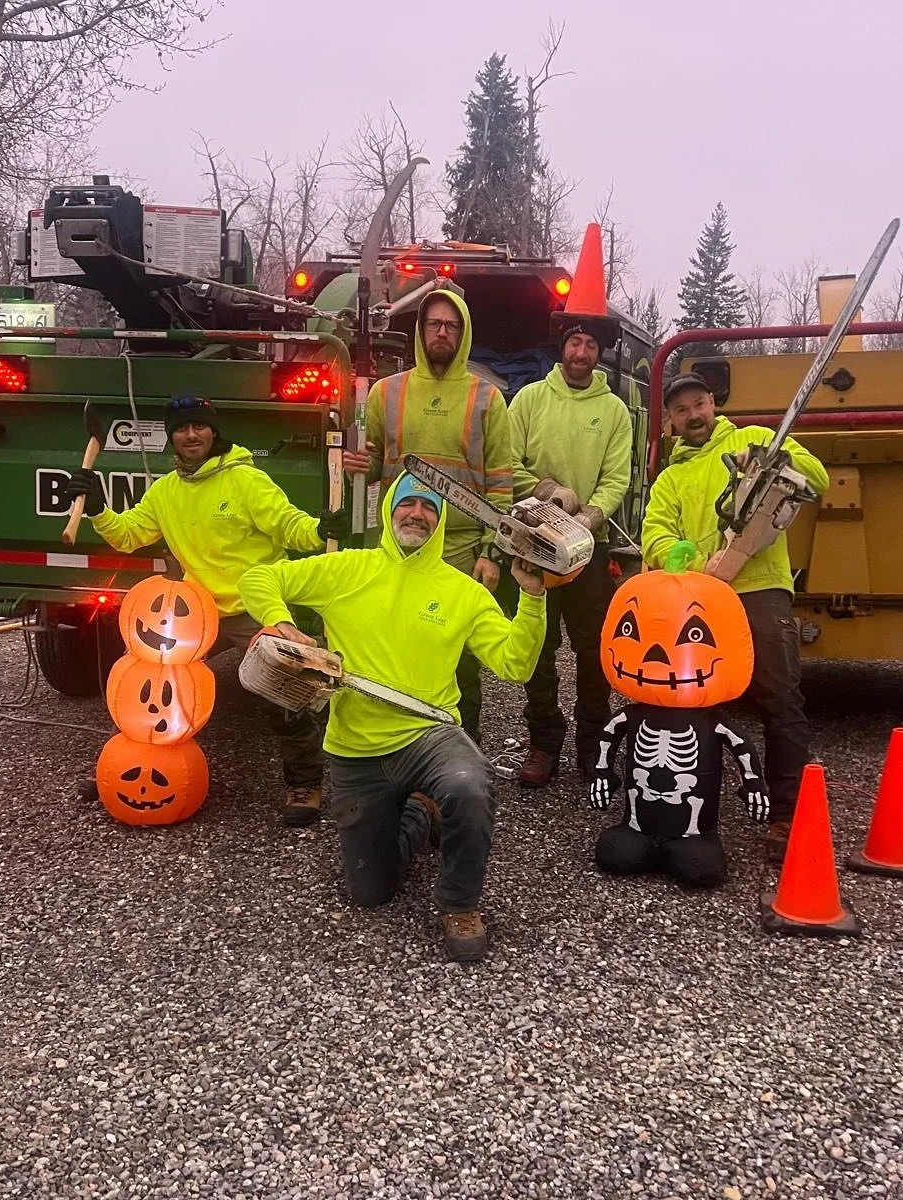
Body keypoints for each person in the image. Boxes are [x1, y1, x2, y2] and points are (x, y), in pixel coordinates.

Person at [239, 473, 546, 962]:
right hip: (356, 748)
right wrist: (283, 625)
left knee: (470, 783)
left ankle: (459, 903)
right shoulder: (347, 569)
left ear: (441, 521)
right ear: (388, 511)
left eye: (429, 507)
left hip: (430, 734)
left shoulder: (461, 591)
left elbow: (515, 663)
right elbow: (259, 576)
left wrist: (531, 597)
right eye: (407, 503)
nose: (417, 513)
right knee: (369, 893)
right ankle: (420, 815)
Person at [64, 392, 349, 828]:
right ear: (171, 437)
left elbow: (289, 525)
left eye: (199, 426)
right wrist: (99, 509)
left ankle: (304, 784)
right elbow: (127, 535)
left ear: (214, 431)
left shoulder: (246, 482)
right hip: (196, 612)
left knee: (283, 691)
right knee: (147, 678)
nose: (191, 434)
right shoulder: (165, 492)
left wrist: (319, 528)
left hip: (255, 607)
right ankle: (125, 767)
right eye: (181, 428)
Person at [640, 372, 830, 861]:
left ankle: (787, 814)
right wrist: (676, 553)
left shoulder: (758, 439)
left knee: (780, 700)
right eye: (680, 411)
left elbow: (817, 477)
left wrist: (771, 463)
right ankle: (693, 806)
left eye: (698, 403)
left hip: (761, 590)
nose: (693, 415)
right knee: (691, 706)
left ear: (713, 403)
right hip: (699, 601)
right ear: (671, 422)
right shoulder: (670, 479)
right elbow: (655, 533)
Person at [341, 288, 512, 745]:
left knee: (461, 663)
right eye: (434, 324)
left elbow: (500, 484)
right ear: (420, 331)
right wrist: (361, 464)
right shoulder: (385, 393)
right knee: (395, 653)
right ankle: (397, 749)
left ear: (464, 333)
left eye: (452, 326)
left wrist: (491, 552)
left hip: (459, 553)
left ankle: (461, 756)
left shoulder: (487, 399)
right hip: (400, 546)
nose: (443, 332)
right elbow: (375, 463)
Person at [507, 321, 633, 787]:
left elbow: (617, 477)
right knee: (538, 648)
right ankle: (543, 743)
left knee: (593, 650)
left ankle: (593, 746)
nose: (582, 352)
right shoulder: (529, 400)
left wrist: (590, 518)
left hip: (589, 549)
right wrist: (548, 491)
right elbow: (509, 462)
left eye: (591, 345)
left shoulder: (615, 412)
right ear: (563, 347)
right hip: (534, 542)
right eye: (575, 342)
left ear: (600, 352)